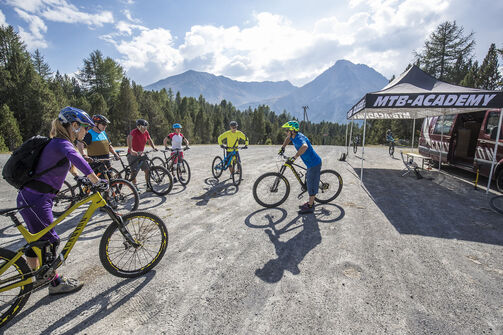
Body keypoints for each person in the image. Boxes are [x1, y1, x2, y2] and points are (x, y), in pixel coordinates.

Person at [16, 106, 104, 295]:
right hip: (36, 200)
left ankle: (39, 276)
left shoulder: (58, 143)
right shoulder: (62, 143)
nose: (86, 131)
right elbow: (76, 157)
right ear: (74, 126)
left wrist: (77, 176)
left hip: (32, 197)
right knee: (51, 240)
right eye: (85, 128)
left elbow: (69, 163)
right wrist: (95, 180)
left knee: (38, 240)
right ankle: (54, 283)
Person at [278, 120, 322, 214]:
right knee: (308, 179)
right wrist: (283, 147)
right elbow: (288, 138)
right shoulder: (293, 136)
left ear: (292, 130)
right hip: (309, 163)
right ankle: (310, 196)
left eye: (287, 130)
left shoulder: (299, 137)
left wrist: (295, 157)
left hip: (314, 163)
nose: (286, 132)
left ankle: (310, 205)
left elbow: (305, 146)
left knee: (311, 182)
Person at [127, 119, 158, 190]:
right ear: (138, 126)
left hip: (141, 154)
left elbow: (149, 140)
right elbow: (129, 138)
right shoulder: (134, 132)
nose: (144, 129)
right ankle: (134, 187)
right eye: (143, 127)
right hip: (133, 154)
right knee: (134, 172)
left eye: (146, 127)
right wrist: (131, 150)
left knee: (147, 170)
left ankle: (148, 185)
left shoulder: (146, 132)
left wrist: (154, 147)